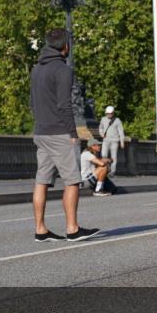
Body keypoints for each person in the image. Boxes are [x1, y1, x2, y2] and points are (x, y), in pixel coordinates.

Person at [30, 28, 100, 242]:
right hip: (60, 132)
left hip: (41, 131)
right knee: (72, 181)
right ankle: (72, 228)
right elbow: (64, 105)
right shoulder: (63, 70)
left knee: (41, 180)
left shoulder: (36, 69)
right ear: (65, 46)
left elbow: (32, 103)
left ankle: (40, 229)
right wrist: (72, 133)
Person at [99, 106, 125, 177]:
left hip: (114, 141)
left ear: (113, 113)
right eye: (107, 113)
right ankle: (105, 169)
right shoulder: (103, 119)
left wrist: (122, 142)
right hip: (105, 140)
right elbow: (100, 128)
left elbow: (121, 132)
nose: (109, 115)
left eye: (110, 113)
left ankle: (112, 172)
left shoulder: (117, 120)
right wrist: (101, 134)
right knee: (104, 156)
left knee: (114, 157)